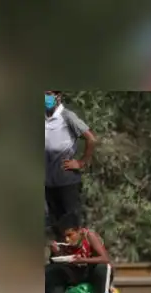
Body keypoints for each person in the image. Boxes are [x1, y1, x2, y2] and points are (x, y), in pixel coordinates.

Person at [44, 214, 113, 293]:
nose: (67, 239)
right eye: (65, 236)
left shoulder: (89, 236)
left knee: (103, 267)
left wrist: (83, 260)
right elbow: (62, 261)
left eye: (70, 235)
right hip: (76, 271)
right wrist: (57, 253)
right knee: (51, 270)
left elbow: (105, 258)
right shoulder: (64, 242)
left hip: (91, 272)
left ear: (79, 231)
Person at [45, 91, 97, 239]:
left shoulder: (67, 116)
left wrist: (81, 162)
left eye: (48, 94)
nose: (45, 97)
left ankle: (78, 257)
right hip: (49, 182)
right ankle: (61, 258)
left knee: (72, 224)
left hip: (67, 180)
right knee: (56, 225)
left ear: (58, 96)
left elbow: (91, 139)